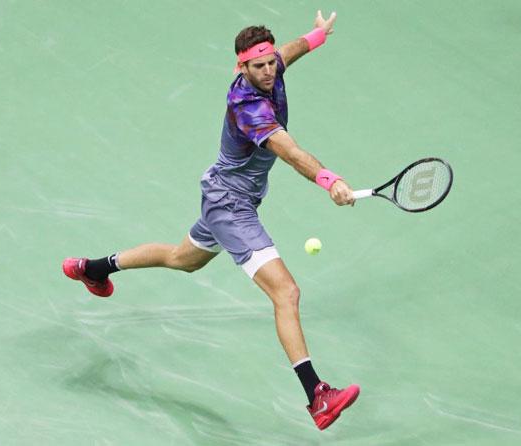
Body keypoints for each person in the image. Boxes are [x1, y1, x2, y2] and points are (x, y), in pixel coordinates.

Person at [63, 10, 360, 430]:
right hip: (230, 206)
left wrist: (317, 36)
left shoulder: (272, 68)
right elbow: (289, 151)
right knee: (286, 293)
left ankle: (92, 269)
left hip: (226, 195)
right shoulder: (248, 105)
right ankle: (317, 396)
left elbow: (288, 53)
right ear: (241, 66)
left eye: (270, 61)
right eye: (258, 66)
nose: (269, 70)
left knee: (182, 258)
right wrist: (330, 180)